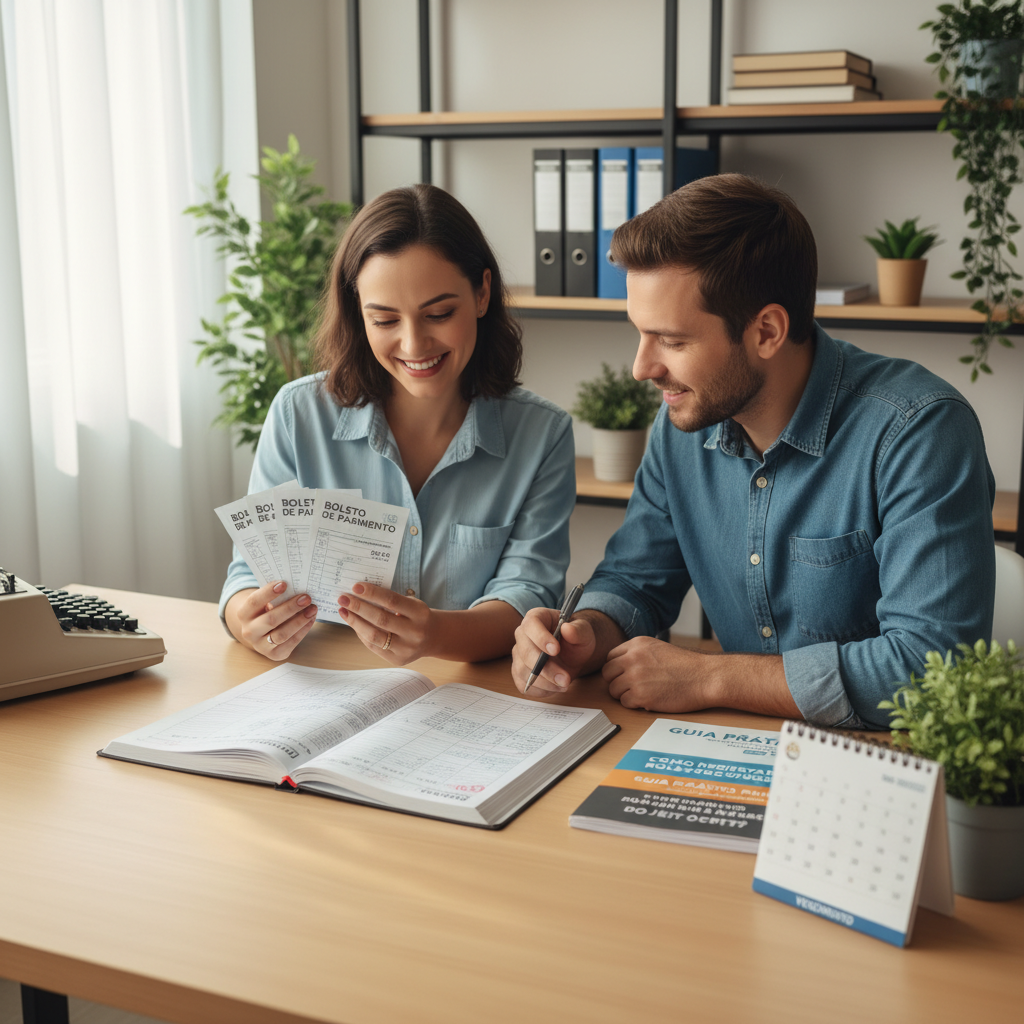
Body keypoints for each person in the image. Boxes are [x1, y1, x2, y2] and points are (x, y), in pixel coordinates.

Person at [511, 173, 996, 729]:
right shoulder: (682, 425)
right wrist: (585, 633)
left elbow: (931, 670)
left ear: (766, 331)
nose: (642, 367)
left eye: (672, 341)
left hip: (878, 765)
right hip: (737, 746)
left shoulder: (920, 432)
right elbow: (635, 581)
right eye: (640, 333)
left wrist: (709, 676)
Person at [221, 184, 575, 665]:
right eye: (385, 320)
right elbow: (248, 575)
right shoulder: (296, 414)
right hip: (321, 693)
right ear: (358, 315)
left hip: (465, 696)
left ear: (482, 292)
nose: (413, 344)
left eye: (439, 313)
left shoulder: (542, 436)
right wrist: (246, 618)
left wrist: (434, 634)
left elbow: (526, 599)